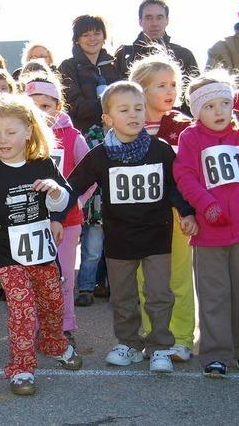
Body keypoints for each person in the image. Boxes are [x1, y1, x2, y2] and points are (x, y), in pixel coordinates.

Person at [0, 93, 82, 396]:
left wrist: (54, 190)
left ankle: (54, 342)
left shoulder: (42, 164)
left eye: (10, 132)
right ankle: (21, 367)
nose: (2, 139)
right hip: (6, 252)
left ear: (28, 132)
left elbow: (64, 199)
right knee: (22, 307)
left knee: (51, 302)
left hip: (43, 252)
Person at [66, 81, 196, 374]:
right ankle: (129, 344)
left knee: (159, 294)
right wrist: (54, 203)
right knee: (123, 297)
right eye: (124, 109)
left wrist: (187, 212)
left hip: (157, 238)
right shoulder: (100, 155)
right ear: (108, 119)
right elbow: (74, 185)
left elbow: (176, 187)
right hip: (120, 241)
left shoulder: (160, 150)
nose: (133, 114)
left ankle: (160, 346)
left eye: (138, 108)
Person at [173, 70, 239, 378]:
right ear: (197, 111)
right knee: (213, 294)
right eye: (209, 106)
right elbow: (184, 175)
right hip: (210, 233)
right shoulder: (191, 137)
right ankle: (215, 353)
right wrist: (206, 205)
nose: (219, 112)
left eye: (225, 103)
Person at [129, 53, 195, 362]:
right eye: (160, 85)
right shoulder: (130, 127)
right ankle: (153, 335)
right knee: (146, 279)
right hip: (142, 216)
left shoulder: (184, 126)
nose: (169, 91)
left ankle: (182, 337)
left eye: (173, 85)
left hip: (176, 213)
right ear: (140, 90)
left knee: (179, 277)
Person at [58, 15, 123, 306]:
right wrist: (109, 106)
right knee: (88, 211)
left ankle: (104, 281)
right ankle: (84, 281)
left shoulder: (115, 64)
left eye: (97, 32)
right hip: (85, 142)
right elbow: (76, 107)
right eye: (86, 34)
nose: (92, 38)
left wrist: (115, 112)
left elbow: (128, 99)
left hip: (116, 139)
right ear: (77, 38)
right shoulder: (68, 66)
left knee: (113, 210)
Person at [24, 72, 91, 338]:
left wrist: (77, 202)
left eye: (45, 106)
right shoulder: (22, 137)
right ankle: (38, 325)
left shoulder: (74, 137)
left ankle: (64, 325)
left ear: (58, 107)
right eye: (32, 106)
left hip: (67, 222)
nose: (39, 113)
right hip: (30, 220)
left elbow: (90, 177)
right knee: (35, 277)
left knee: (63, 276)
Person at [114, 0, 198, 80]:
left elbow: (197, 91)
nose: (154, 23)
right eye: (148, 17)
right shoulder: (124, 55)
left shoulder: (184, 56)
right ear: (140, 21)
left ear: (167, 21)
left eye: (159, 17)